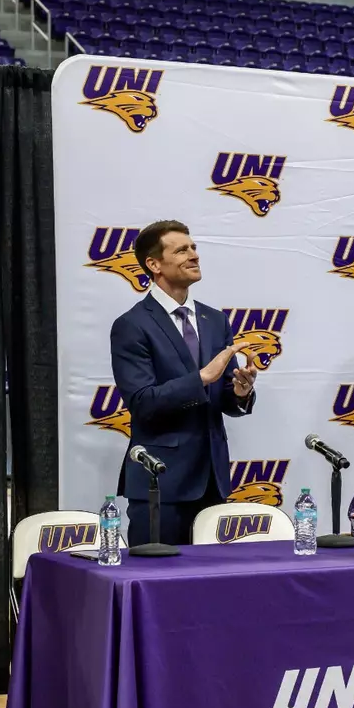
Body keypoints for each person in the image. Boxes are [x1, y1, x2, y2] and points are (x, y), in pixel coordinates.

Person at [110, 220, 258, 546]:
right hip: (161, 483)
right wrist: (202, 377)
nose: (193, 255)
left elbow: (222, 399)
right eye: (181, 250)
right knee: (156, 584)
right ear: (154, 264)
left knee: (208, 589)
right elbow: (143, 402)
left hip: (212, 482)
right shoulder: (132, 325)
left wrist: (240, 391)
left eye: (193, 248)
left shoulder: (215, 320)